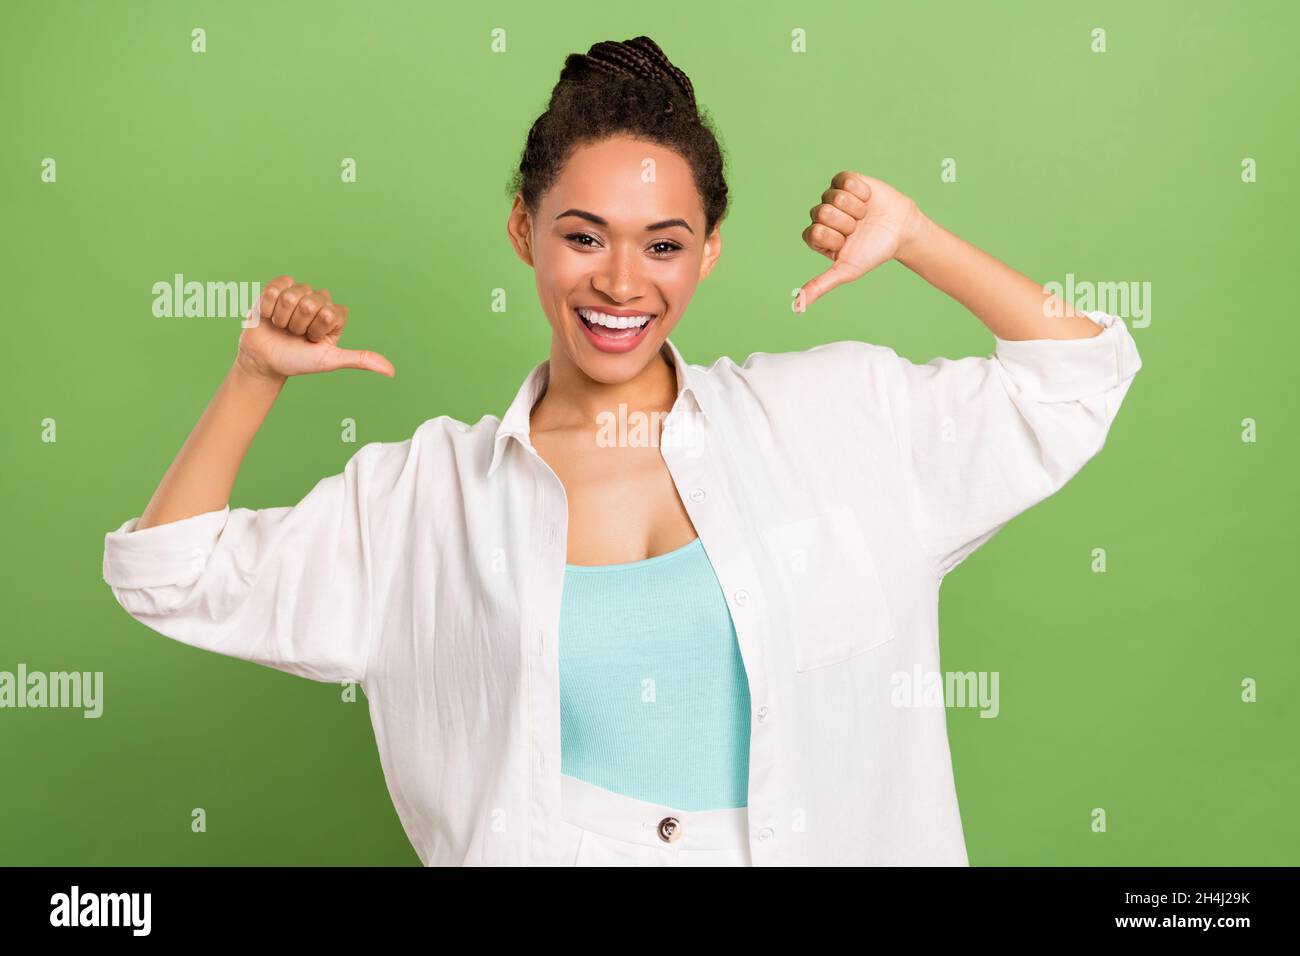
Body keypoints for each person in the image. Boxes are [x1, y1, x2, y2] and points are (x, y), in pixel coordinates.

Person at [102, 36, 1142, 866]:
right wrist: (254, 378)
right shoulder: (425, 499)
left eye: (663, 243)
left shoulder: (837, 416)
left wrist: (918, 237)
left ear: (709, 250)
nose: (619, 283)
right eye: (583, 234)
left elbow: (1078, 376)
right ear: (524, 229)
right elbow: (170, 571)